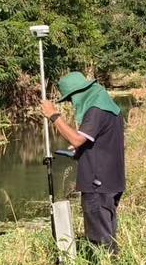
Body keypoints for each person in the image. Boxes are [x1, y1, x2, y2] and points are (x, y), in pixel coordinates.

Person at [41, 72, 125, 253]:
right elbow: (100, 143)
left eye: (71, 99)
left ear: (79, 93)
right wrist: (83, 151)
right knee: (108, 235)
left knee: (100, 241)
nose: (72, 103)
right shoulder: (108, 106)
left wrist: (55, 117)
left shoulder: (95, 109)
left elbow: (77, 140)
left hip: (98, 184)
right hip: (112, 181)